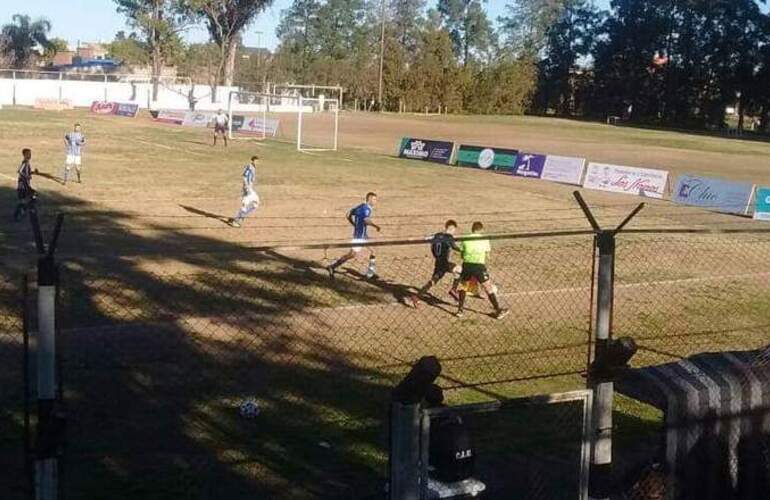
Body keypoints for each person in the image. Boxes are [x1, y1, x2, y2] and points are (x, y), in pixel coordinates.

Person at [456, 222, 509, 319]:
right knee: (488, 287)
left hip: (467, 265)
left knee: (464, 287)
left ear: (472, 229)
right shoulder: (484, 239)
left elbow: (462, 255)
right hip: (479, 266)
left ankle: (460, 311)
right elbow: (488, 255)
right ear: (481, 230)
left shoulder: (465, 238)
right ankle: (498, 310)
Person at [327, 192, 380, 279]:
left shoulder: (360, 206)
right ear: (369, 199)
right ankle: (332, 267)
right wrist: (376, 226)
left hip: (362, 235)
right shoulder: (366, 209)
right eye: (374, 199)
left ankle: (370, 274)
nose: (375, 201)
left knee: (373, 251)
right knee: (351, 254)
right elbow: (366, 220)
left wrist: (354, 223)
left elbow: (348, 214)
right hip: (359, 237)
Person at [410, 220, 461, 307]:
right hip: (444, 263)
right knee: (460, 270)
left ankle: (417, 296)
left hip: (438, 262)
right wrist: (463, 250)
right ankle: (453, 289)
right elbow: (455, 247)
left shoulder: (437, 235)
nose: (454, 232)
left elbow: (427, 238)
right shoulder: (449, 237)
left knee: (433, 281)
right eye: (454, 230)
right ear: (451, 228)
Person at [229, 155, 260, 227]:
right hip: (247, 189)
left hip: (250, 188)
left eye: (257, 161)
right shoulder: (249, 167)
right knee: (245, 205)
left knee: (255, 204)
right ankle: (236, 221)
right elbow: (244, 176)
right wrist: (246, 186)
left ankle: (240, 217)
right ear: (252, 161)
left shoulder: (253, 167)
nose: (257, 162)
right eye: (255, 161)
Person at [14, 148, 37, 221]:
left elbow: (26, 172)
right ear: (24, 155)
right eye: (28, 154)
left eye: (30, 154)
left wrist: (33, 172)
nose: (30, 155)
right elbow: (19, 171)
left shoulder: (27, 163)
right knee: (31, 197)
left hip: (26, 185)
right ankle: (20, 213)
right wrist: (27, 176)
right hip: (23, 185)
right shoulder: (25, 162)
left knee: (28, 198)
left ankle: (21, 212)